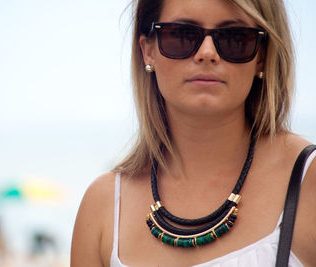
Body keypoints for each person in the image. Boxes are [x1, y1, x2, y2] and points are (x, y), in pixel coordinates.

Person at [71, 0, 316, 266]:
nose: (207, 53)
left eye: (234, 38)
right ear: (147, 51)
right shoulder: (103, 207)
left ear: (261, 56)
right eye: (182, 35)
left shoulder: (308, 183)